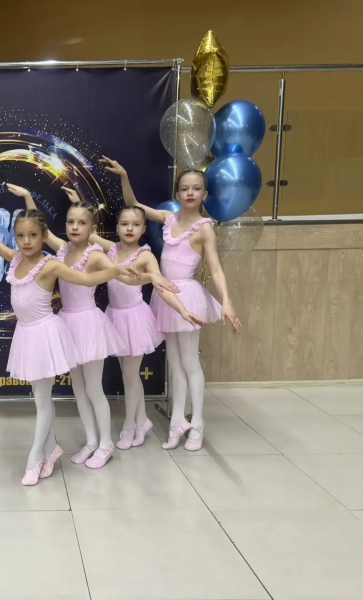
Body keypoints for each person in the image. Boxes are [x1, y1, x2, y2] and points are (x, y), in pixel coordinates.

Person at [0, 192, 137, 486]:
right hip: (28, 333)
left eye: (33, 235)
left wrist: (116, 269)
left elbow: (85, 279)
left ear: (43, 236)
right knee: (58, 394)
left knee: (72, 393)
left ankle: (63, 452)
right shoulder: (16, 258)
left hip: (48, 331)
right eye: (20, 236)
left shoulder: (51, 264)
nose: (26, 241)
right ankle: (74, 444)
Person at [10, 183, 171, 469]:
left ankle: (106, 444)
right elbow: (37, 228)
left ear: (92, 228)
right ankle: (91, 440)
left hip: (89, 324)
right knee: (79, 389)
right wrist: (27, 197)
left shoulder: (95, 255)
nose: (74, 227)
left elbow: (122, 275)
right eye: (70, 222)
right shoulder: (61, 251)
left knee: (94, 388)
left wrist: (152, 277)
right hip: (66, 324)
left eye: (82, 223)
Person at [104, 156, 242, 451]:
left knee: (190, 361)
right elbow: (135, 206)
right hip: (165, 293)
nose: (190, 193)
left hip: (187, 294)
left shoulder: (204, 228)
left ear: (205, 194)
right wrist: (124, 175)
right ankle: (178, 420)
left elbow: (215, 268)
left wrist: (227, 302)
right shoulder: (168, 219)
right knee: (174, 363)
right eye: (184, 188)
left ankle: (198, 423)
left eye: (196, 188)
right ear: (177, 193)